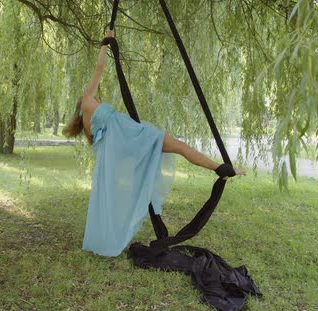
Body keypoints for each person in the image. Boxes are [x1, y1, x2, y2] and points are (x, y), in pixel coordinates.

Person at [63, 30, 245, 257]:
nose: (98, 98)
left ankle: (219, 168)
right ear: (83, 103)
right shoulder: (88, 99)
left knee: (179, 147)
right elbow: (99, 68)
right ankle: (220, 168)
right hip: (133, 138)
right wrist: (105, 43)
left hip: (128, 141)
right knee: (179, 146)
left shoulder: (90, 126)